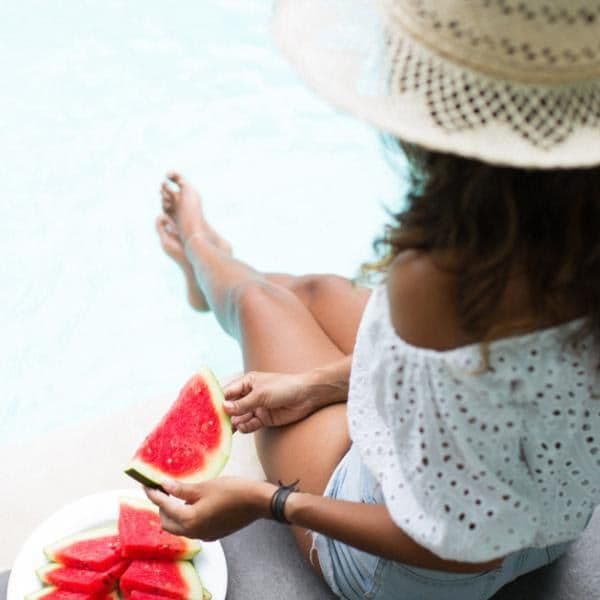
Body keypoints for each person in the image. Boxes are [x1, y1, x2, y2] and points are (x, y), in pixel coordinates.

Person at [146, 1, 600, 598]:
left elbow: (457, 550)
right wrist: (316, 386)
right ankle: (211, 270)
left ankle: (202, 254)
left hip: (414, 572)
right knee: (319, 292)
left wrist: (269, 502)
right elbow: (496, 383)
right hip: (549, 525)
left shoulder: (436, 286)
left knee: (263, 302)